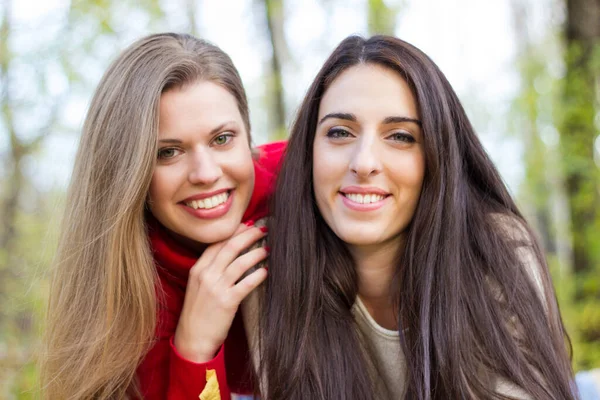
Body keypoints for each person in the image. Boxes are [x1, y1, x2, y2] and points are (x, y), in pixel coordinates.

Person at [245, 35, 577, 399]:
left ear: (437, 158)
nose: (364, 163)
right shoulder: (271, 261)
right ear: (309, 150)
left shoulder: (496, 249)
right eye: (340, 132)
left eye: (400, 136)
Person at [40, 33, 284, 399]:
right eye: (168, 152)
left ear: (247, 135)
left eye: (222, 139)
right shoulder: (125, 301)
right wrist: (194, 347)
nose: (205, 173)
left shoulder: (312, 184)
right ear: (128, 173)